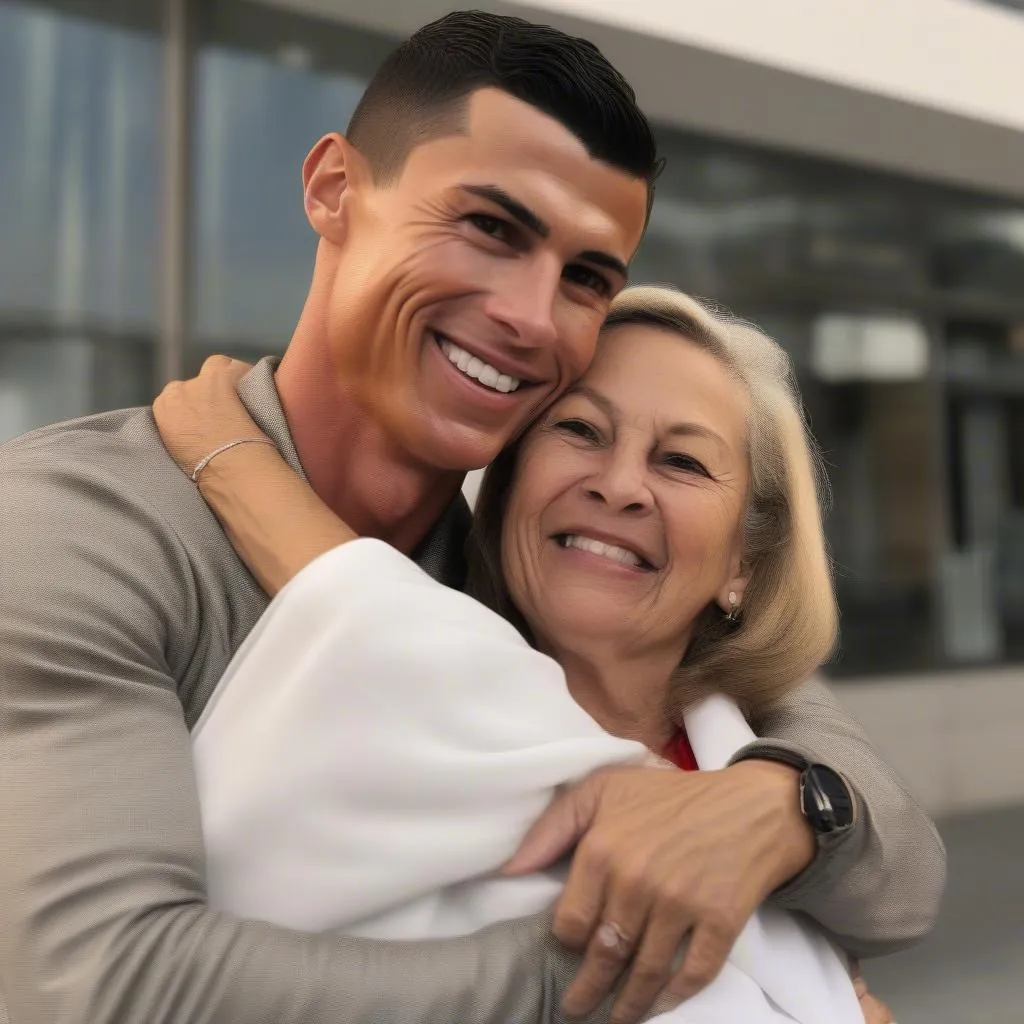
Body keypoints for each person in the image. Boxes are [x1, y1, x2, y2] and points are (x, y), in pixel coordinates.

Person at [0, 10, 939, 1024]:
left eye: (585, 278)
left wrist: (781, 807)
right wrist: (653, 951)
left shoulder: (538, 570)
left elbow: (889, 849)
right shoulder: (78, 530)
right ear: (332, 190)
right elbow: (97, 988)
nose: (532, 317)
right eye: (491, 227)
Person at [151, 285, 895, 1024]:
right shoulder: (358, 714)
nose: (618, 485)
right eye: (580, 430)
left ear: (744, 567)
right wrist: (231, 456)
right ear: (506, 493)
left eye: (682, 462)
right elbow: (376, 625)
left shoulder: (773, 797)